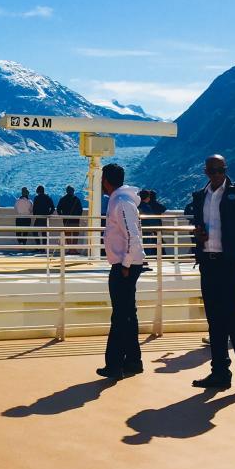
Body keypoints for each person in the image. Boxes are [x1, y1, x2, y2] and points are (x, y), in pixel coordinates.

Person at [190, 154, 235, 395]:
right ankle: (220, 372)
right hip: (208, 264)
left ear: (226, 169)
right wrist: (197, 237)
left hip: (230, 265)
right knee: (214, 321)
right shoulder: (200, 196)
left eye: (219, 170)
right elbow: (198, 227)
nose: (216, 175)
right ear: (205, 171)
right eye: (211, 171)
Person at [96, 163, 146, 380]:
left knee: (120, 316)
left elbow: (132, 236)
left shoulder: (121, 202)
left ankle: (114, 365)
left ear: (106, 180)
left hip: (124, 267)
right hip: (125, 264)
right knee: (127, 314)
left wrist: (125, 264)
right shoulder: (122, 200)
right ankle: (133, 361)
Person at [138, 190, 167, 257]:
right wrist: (156, 228)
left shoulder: (136, 205)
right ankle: (144, 263)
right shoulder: (147, 207)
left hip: (138, 230)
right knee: (147, 247)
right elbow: (152, 220)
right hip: (147, 230)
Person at [57, 185, 83, 250]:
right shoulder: (76, 199)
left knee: (67, 234)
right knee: (75, 234)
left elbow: (58, 209)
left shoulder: (63, 199)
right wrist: (78, 217)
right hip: (75, 220)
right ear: (73, 191)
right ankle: (74, 249)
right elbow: (80, 210)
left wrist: (62, 216)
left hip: (66, 220)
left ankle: (70, 249)